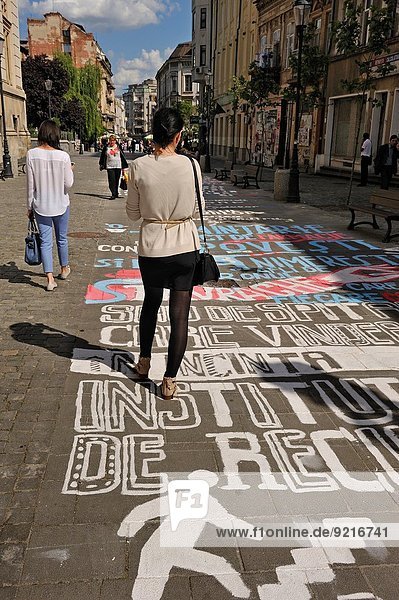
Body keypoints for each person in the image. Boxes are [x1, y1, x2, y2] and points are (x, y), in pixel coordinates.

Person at [126, 107, 204, 400]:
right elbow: (200, 209)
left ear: (154, 134)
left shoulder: (138, 166)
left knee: (151, 303)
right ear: (179, 135)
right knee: (180, 315)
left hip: (152, 246)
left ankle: (144, 362)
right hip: (185, 246)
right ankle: (169, 380)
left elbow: (133, 214)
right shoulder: (192, 165)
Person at [26, 120, 74, 291]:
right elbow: (69, 183)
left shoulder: (32, 154)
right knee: (62, 238)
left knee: (46, 242)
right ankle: (64, 268)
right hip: (61, 202)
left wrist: (29, 206)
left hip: (41, 205)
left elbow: (30, 185)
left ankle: (49, 279)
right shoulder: (63, 156)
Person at [99, 134, 128, 199]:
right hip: (110, 166)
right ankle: (113, 193)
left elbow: (122, 156)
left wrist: (124, 167)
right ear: (109, 141)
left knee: (117, 180)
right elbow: (102, 156)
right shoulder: (106, 147)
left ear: (115, 141)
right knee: (111, 180)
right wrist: (101, 164)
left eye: (113, 141)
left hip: (118, 165)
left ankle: (116, 193)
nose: (112, 142)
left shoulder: (118, 147)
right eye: (110, 140)